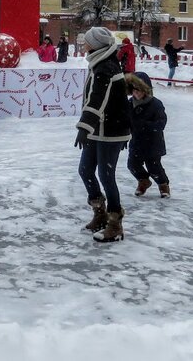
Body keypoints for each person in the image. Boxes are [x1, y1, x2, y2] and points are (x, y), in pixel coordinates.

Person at [75, 26, 133, 243]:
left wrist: (83, 127)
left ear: (95, 45)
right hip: (98, 128)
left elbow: (98, 99)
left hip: (111, 129)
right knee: (85, 170)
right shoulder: (99, 63)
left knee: (106, 176)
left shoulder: (106, 67)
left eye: (86, 41)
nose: (84, 44)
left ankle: (115, 223)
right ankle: (100, 212)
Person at [125, 72, 170, 199]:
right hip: (137, 141)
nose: (137, 93)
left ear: (146, 90)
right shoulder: (129, 104)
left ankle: (163, 184)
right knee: (132, 164)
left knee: (154, 167)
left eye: (139, 90)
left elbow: (161, 123)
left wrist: (144, 125)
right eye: (134, 90)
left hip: (153, 142)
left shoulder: (156, 104)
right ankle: (143, 180)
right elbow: (125, 121)